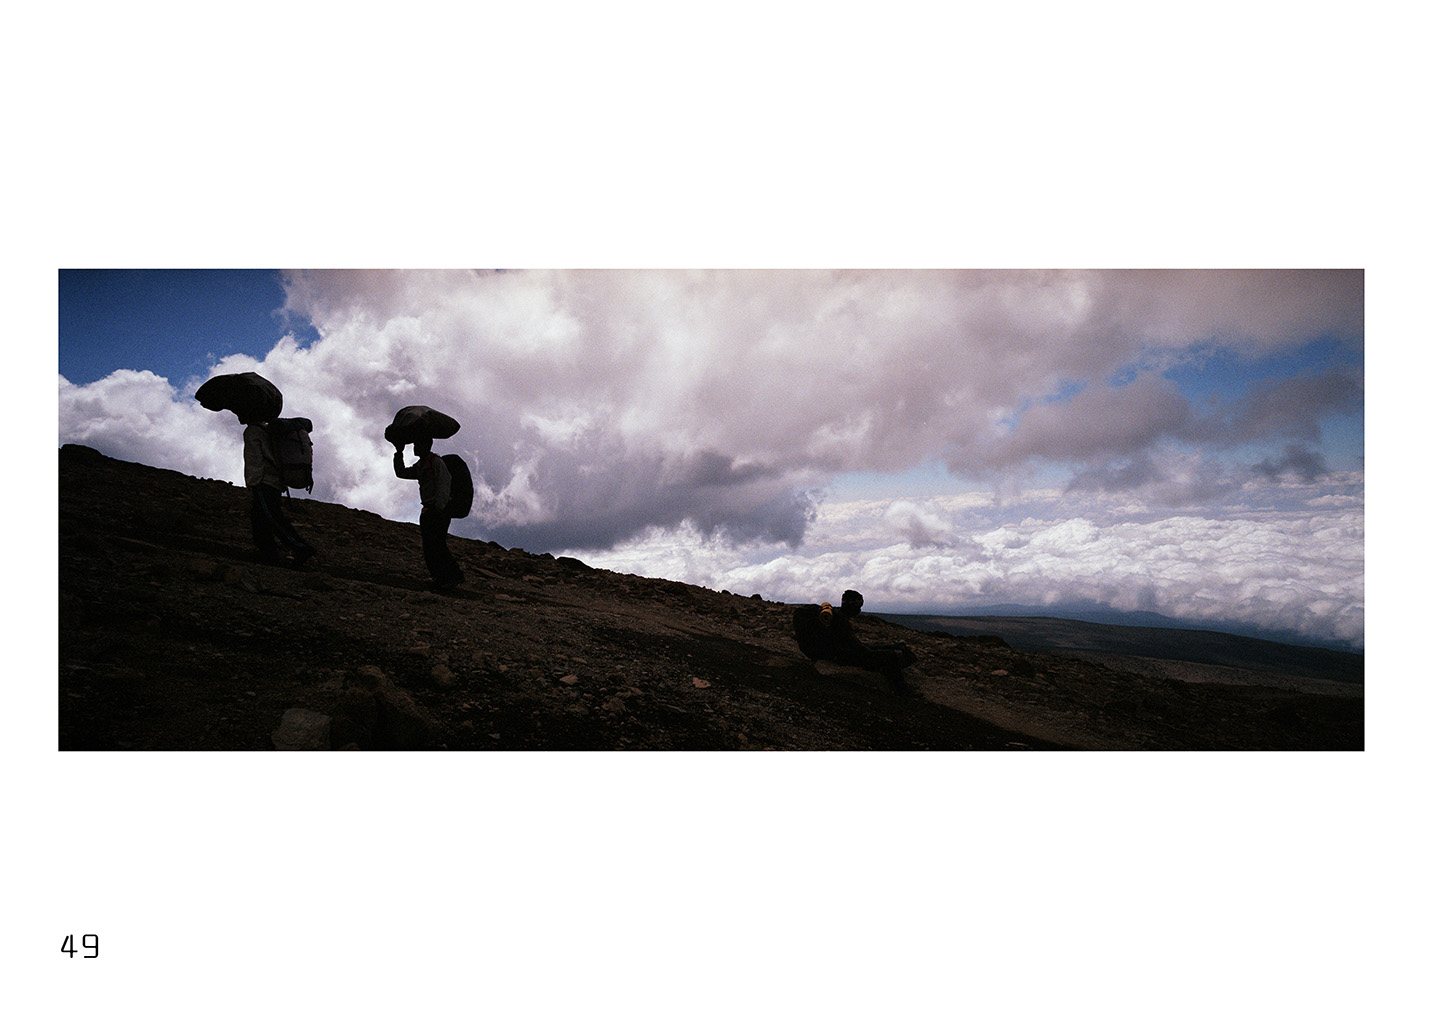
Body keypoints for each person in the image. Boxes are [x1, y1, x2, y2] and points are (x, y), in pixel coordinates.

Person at [795, 589, 917, 692]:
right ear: (852, 606)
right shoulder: (841, 621)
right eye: (858, 606)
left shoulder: (836, 615)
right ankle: (902, 691)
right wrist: (888, 651)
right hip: (841, 656)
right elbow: (859, 650)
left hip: (837, 652)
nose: (859, 610)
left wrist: (886, 646)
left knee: (885, 650)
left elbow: (853, 644)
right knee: (890, 656)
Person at [243, 416, 316, 568]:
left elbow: (254, 459)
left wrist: (252, 482)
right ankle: (268, 553)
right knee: (260, 517)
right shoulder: (269, 429)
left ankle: (300, 547)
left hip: (263, 481)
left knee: (272, 517)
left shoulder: (253, 431)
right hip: (275, 481)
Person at [393, 437, 464, 589]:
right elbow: (401, 473)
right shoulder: (421, 465)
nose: (415, 448)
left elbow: (444, 484)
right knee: (430, 545)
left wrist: (438, 508)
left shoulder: (436, 462)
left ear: (426, 445)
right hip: (429, 510)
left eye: (418, 444)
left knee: (436, 544)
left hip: (437, 511)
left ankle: (451, 577)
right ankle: (442, 578)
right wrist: (398, 453)